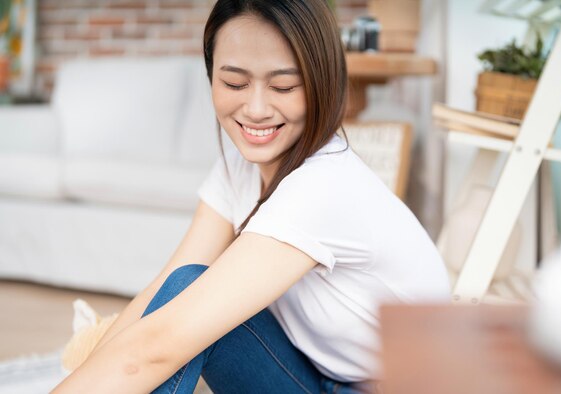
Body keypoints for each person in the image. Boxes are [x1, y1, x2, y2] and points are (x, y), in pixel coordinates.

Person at [52, 0, 450, 392]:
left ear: (321, 84)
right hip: (317, 377)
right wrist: (85, 372)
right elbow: (163, 297)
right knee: (186, 287)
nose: (256, 109)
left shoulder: (323, 187)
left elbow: (156, 349)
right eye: (234, 83)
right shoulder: (238, 165)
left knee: (167, 337)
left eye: (283, 86)